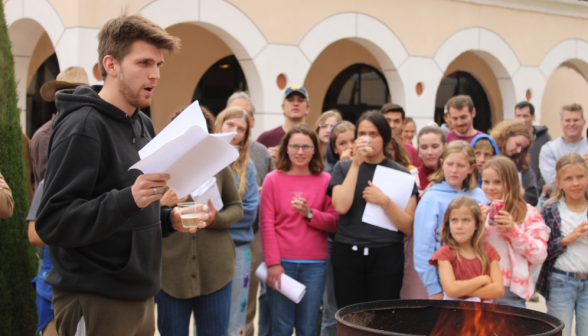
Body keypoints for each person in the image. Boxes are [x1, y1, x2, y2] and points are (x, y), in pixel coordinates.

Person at [34, 14, 203, 335]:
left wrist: (169, 219)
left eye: (159, 65)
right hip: (95, 298)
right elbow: (52, 222)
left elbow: (132, 209)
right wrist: (128, 198)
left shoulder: (142, 123)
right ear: (111, 65)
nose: (155, 74)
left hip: (139, 294)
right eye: (143, 63)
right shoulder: (83, 126)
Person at [156, 108, 244, 336]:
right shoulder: (157, 170)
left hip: (215, 270)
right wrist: (163, 203)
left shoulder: (218, 165)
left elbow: (237, 208)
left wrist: (217, 219)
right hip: (170, 274)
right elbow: (141, 215)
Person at [328, 111, 418, 308]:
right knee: (350, 316)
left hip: (386, 254)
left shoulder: (402, 174)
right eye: (361, 134)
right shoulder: (343, 168)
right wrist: (355, 164)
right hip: (348, 253)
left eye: (373, 134)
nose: (366, 139)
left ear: (385, 137)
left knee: (382, 317)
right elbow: (341, 206)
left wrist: (385, 201)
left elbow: (409, 227)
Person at [260, 124, 338, 336]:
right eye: (295, 146)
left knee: (308, 327)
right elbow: (266, 224)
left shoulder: (326, 180)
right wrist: (273, 263)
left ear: (315, 149)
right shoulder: (272, 180)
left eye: (306, 146)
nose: (300, 152)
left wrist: (310, 214)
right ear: (286, 148)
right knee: (282, 327)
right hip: (281, 263)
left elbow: (334, 222)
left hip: (315, 265)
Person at [226, 92, 275, 336]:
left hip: (246, 238)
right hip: (209, 242)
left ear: (251, 125)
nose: (236, 127)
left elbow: (259, 203)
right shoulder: (205, 155)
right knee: (213, 307)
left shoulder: (258, 156)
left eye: (242, 122)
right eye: (231, 119)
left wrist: (217, 217)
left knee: (243, 306)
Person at [414, 141, 488, 300]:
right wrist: (433, 288)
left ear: (471, 168)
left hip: (481, 280)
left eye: (461, 165)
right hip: (447, 284)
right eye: (449, 164)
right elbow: (422, 247)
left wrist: (489, 218)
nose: (454, 170)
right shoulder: (431, 199)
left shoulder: (480, 196)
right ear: (442, 164)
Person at [480, 156, 550, 307]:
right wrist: (475, 226)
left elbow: (539, 255)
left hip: (511, 292)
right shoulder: (479, 212)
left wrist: (513, 230)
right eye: (486, 181)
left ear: (511, 182)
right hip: (480, 288)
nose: (490, 187)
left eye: (497, 182)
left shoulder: (528, 213)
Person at [214, 107, 260, 336]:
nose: (235, 131)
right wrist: (230, 213)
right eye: (230, 125)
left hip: (238, 248)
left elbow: (250, 212)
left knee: (235, 317)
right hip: (208, 248)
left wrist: (216, 219)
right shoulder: (204, 162)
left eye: (241, 129)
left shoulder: (247, 167)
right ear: (219, 124)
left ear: (245, 135)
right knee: (209, 314)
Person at [538, 153, 588, 336]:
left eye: (580, 176)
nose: (575, 183)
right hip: (561, 282)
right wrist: (568, 239)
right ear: (558, 183)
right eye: (568, 178)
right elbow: (542, 251)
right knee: (561, 332)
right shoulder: (550, 209)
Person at [28, 180, 86, 336]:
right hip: (54, 283)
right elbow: (34, 236)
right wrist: (84, 231)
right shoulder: (48, 182)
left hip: (94, 286)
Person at [429, 196, 503, 302]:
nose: (459, 226)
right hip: (454, 316)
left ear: (477, 224)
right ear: (448, 223)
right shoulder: (444, 254)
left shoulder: (488, 251)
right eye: (454, 220)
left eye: (466, 220)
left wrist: (461, 291)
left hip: (484, 316)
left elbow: (498, 289)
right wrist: (482, 280)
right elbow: (450, 289)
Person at [30, 66, 90, 190]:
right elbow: (49, 184)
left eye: (83, 94)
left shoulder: (87, 129)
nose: (80, 100)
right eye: (73, 94)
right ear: (57, 98)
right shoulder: (45, 136)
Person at [321, 120, 355, 336]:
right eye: (343, 143)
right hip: (334, 245)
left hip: (361, 246)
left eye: (353, 140)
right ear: (334, 148)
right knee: (332, 310)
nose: (349, 147)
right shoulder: (328, 173)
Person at [540, 104, 588, 197]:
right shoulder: (549, 149)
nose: (572, 124)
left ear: (584, 122)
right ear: (561, 123)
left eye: (576, 120)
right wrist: (582, 167)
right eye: (567, 120)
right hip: (559, 203)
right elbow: (552, 182)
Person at [489, 121, 538, 206]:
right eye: (517, 144)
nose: (519, 150)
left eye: (523, 148)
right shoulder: (487, 154)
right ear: (506, 136)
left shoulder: (521, 165)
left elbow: (532, 197)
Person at [257, 86, 310, 160]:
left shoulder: (315, 137)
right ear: (283, 107)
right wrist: (265, 157)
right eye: (290, 100)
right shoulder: (266, 138)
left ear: (308, 108)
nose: (295, 104)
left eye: (300, 100)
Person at [514, 101, 551, 199]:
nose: (522, 119)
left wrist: (540, 185)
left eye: (525, 116)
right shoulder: (510, 138)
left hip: (538, 191)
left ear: (533, 117)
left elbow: (549, 163)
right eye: (519, 115)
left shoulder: (544, 138)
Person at [416, 126, 446, 195]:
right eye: (424, 148)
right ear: (418, 150)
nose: (429, 152)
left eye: (435, 147)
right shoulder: (411, 177)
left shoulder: (454, 175)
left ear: (445, 147)